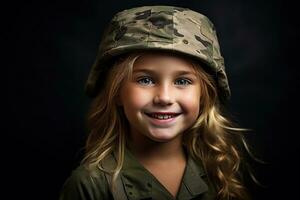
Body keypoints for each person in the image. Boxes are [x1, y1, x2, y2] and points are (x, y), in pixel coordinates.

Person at [59, 5, 253, 200]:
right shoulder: (90, 186)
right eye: (145, 80)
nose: (164, 98)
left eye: (182, 81)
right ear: (116, 92)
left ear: (204, 95)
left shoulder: (219, 173)